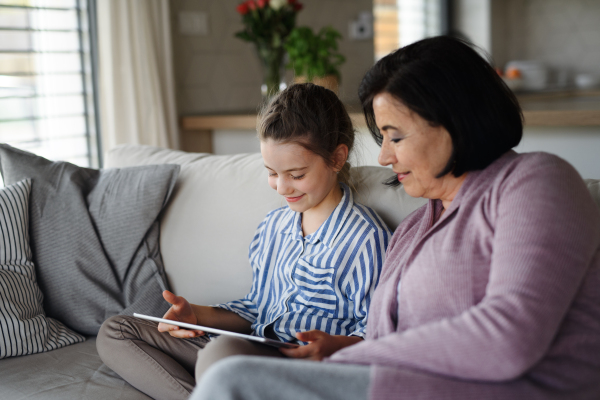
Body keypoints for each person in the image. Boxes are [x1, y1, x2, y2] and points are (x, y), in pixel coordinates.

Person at [189, 36, 600, 400]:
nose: (384, 157)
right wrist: (339, 350)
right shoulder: (413, 230)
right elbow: (386, 339)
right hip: (387, 385)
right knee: (224, 365)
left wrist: (358, 353)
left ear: (455, 121)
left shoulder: (535, 182)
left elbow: (509, 341)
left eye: (396, 135)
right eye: (381, 138)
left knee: (232, 380)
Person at [96, 83, 392, 400]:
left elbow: (380, 334)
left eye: (296, 174)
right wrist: (195, 314)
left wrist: (335, 344)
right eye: (272, 173)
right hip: (250, 350)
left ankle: (220, 387)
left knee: (222, 354)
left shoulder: (365, 238)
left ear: (336, 158)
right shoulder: (273, 227)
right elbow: (255, 310)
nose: (281, 187)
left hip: (304, 368)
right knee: (116, 331)